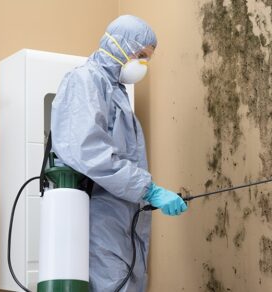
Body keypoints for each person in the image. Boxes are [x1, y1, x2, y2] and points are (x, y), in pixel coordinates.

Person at [51, 15, 188, 292]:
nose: (143, 64)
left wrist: (146, 194)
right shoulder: (85, 80)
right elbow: (87, 150)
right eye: (141, 55)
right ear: (119, 45)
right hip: (99, 216)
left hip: (121, 218)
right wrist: (148, 189)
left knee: (127, 282)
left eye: (147, 59)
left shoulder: (116, 91)